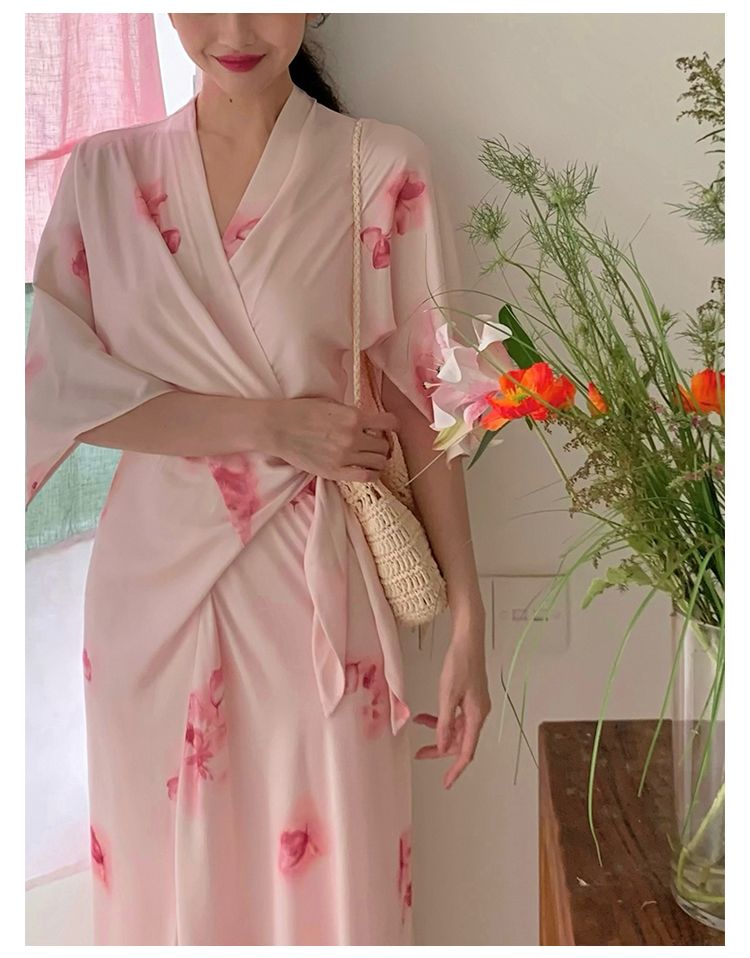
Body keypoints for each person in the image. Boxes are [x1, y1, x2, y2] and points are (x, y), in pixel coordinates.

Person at [25, 12, 491, 946]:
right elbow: (56, 392)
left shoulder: (381, 166)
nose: (234, 27)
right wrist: (275, 426)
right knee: (168, 901)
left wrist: (471, 621)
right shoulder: (105, 177)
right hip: (149, 602)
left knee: (335, 897)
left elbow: (426, 406)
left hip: (314, 599)